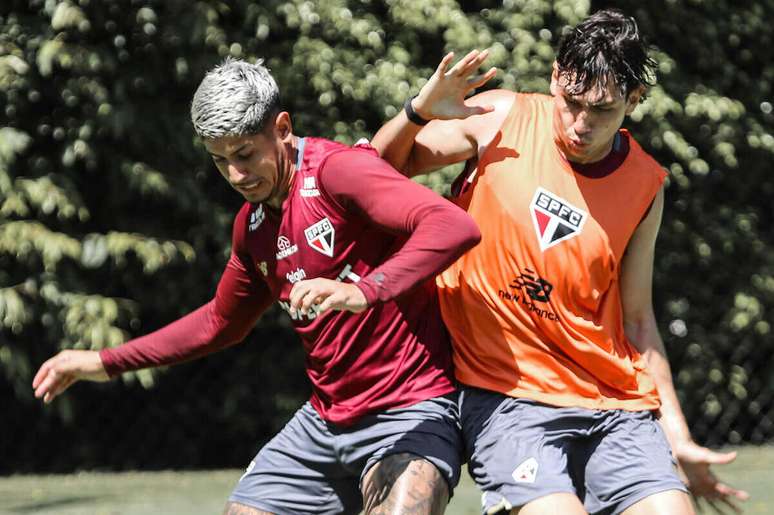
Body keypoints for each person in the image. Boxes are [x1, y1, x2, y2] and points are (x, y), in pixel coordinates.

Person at [32, 57, 482, 515]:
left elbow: (451, 226)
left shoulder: (337, 173)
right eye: (220, 161)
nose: (236, 176)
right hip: (324, 424)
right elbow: (219, 323)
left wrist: (363, 290)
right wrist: (103, 361)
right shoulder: (252, 228)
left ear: (282, 128)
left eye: (245, 154)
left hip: (412, 410)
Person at [372, 8, 748, 515]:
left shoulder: (645, 185)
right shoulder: (499, 119)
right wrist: (417, 111)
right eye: (571, 102)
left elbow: (637, 320)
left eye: (603, 110)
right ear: (554, 78)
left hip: (614, 401)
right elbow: (376, 171)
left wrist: (677, 436)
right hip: (508, 396)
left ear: (635, 101)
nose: (579, 124)